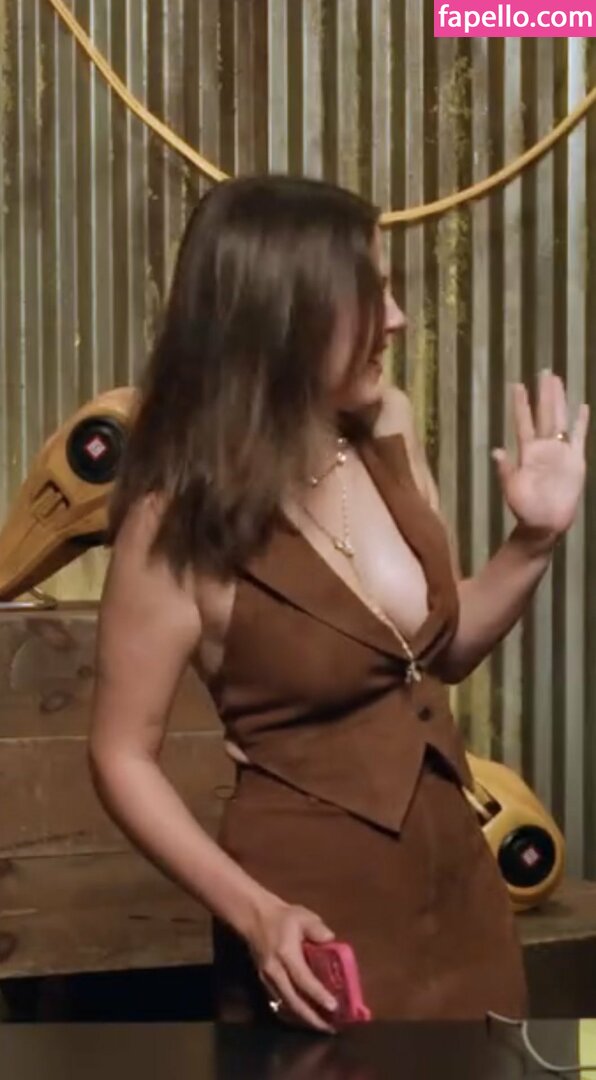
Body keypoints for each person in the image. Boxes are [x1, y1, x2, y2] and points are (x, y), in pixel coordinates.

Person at [89, 175, 588, 1030]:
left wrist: (533, 542)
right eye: (372, 295)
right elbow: (120, 755)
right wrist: (255, 914)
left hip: (462, 899)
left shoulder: (387, 427)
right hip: (314, 922)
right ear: (285, 316)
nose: (397, 319)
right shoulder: (174, 523)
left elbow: (438, 648)